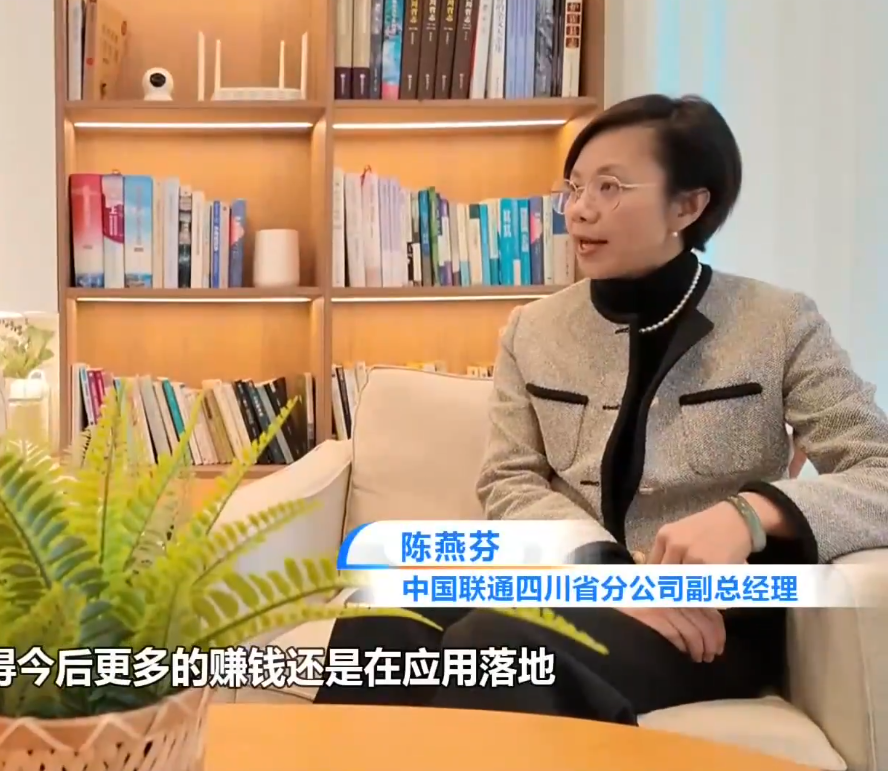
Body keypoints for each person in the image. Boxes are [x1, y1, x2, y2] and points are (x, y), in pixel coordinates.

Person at [314, 94, 888, 722]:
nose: (579, 210)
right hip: (570, 578)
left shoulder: (777, 323)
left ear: (688, 206)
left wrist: (749, 514)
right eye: (575, 187)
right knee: (382, 620)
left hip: (705, 617)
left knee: (496, 646)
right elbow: (508, 480)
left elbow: (878, 470)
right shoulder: (534, 330)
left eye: (610, 187)